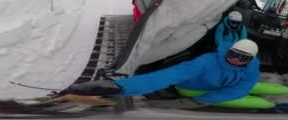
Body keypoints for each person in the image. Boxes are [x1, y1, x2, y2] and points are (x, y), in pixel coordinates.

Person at [61, 39, 260, 105]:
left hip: (220, 87)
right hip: (193, 88)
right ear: (230, 49)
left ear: (250, 61)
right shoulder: (206, 63)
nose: (235, 59)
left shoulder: (252, 68)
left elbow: (244, 86)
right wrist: (120, 87)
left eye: (243, 58)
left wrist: (219, 96)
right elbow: (166, 76)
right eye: (234, 53)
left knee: (247, 86)